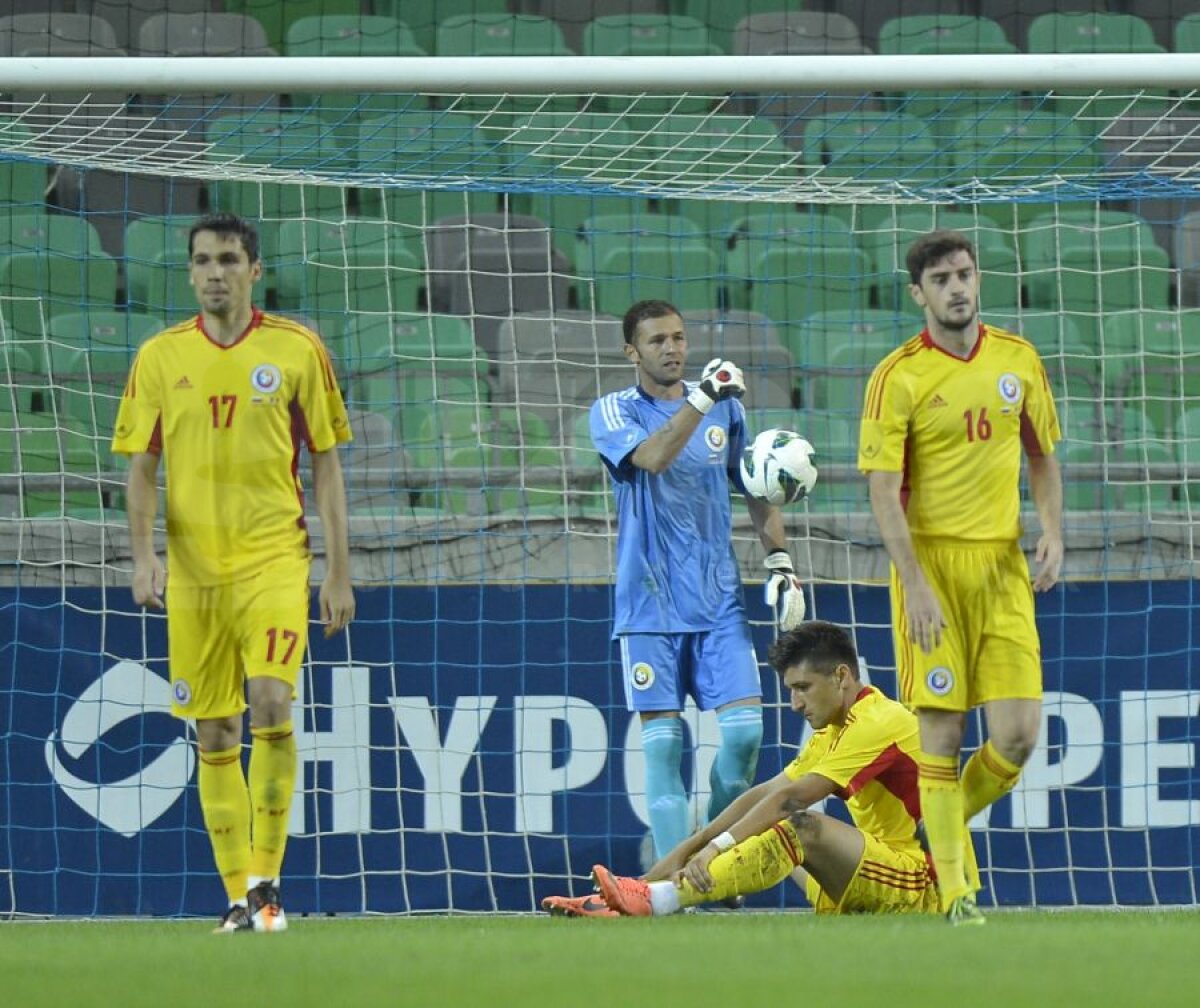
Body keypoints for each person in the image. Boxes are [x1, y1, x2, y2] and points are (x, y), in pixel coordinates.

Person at [112, 212, 355, 934]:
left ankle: (269, 885)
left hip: (274, 560)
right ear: (189, 273)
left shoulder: (296, 349)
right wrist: (145, 555)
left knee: (271, 702)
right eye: (201, 261)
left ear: (254, 269)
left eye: (227, 259)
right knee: (215, 733)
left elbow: (328, 465)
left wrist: (338, 573)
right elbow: (141, 469)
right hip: (192, 574)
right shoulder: (160, 356)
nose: (213, 271)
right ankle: (236, 899)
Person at [859, 229, 1063, 925]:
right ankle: (954, 892)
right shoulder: (897, 376)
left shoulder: (1019, 360)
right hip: (932, 569)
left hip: (1003, 565)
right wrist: (912, 580)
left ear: (978, 280)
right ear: (918, 293)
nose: (957, 288)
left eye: (965, 274)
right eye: (941, 279)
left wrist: (1053, 531)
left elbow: (1041, 454)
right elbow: (884, 492)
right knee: (940, 736)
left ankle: (932, 832)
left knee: (1018, 734)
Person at [588, 299, 807, 865]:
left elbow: (755, 487)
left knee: (744, 737)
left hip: (718, 605)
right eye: (658, 340)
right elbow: (653, 458)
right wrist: (703, 396)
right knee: (664, 750)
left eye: (680, 337)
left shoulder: (726, 413)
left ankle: (709, 852)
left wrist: (780, 560)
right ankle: (670, 885)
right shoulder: (613, 411)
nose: (673, 348)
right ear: (631, 352)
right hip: (648, 608)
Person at [541, 620, 939, 918]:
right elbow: (765, 794)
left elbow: (790, 801)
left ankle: (660, 901)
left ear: (841, 676)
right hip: (872, 876)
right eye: (790, 691)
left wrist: (716, 848)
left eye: (803, 688)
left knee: (800, 826)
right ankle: (635, 895)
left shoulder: (879, 721)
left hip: (921, 886)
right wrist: (689, 846)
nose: (795, 704)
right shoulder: (836, 727)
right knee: (765, 817)